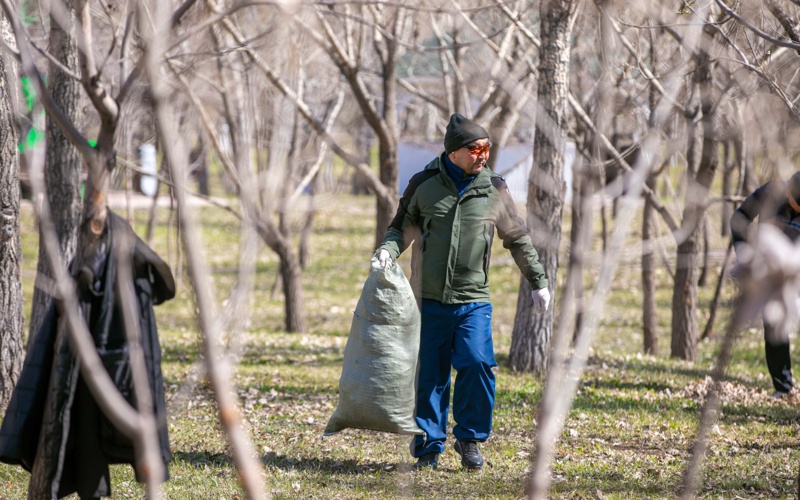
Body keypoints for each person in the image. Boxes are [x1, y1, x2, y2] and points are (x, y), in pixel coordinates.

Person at [373, 113, 550, 470]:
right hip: (428, 299)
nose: (483, 154)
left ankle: (469, 439)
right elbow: (399, 230)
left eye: (487, 148)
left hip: (473, 301)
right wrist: (386, 252)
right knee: (431, 374)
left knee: (478, 363)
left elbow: (516, 238)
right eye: (476, 148)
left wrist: (538, 280)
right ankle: (428, 446)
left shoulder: (494, 189)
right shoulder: (423, 184)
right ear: (454, 151)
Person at [730, 171, 800, 397]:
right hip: (769, 272)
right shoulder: (770, 193)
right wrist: (745, 257)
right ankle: (784, 387)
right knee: (774, 323)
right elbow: (739, 219)